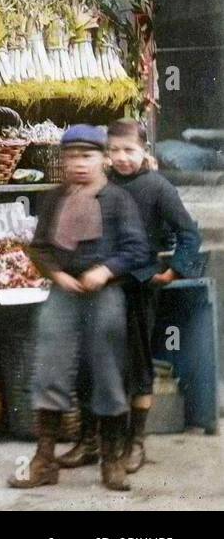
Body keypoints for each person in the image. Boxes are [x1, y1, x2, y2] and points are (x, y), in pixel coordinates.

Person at [54, 118, 202, 473]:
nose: (122, 158)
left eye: (130, 151)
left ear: (144, 151)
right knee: (90, 365)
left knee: (137, 366)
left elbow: (189, 232)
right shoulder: (97, 185)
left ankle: (134, 443)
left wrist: (175, 270)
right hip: (98, 287)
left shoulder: (157, 187)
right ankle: (89, 441)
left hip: (137, 289)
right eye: (115, 150)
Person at [12, 124, 150, 493]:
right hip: (65, 291)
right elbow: (40, 247)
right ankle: (44, 460)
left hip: (104, 291)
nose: (79, 164)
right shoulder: (55, 198)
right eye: (71, 157)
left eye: (87, 156)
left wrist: (105, 271)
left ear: (103, 159)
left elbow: (138, 250)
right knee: (49, 364)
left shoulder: (118, 200)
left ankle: (112, 460)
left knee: (107, 369)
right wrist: (57, 275)